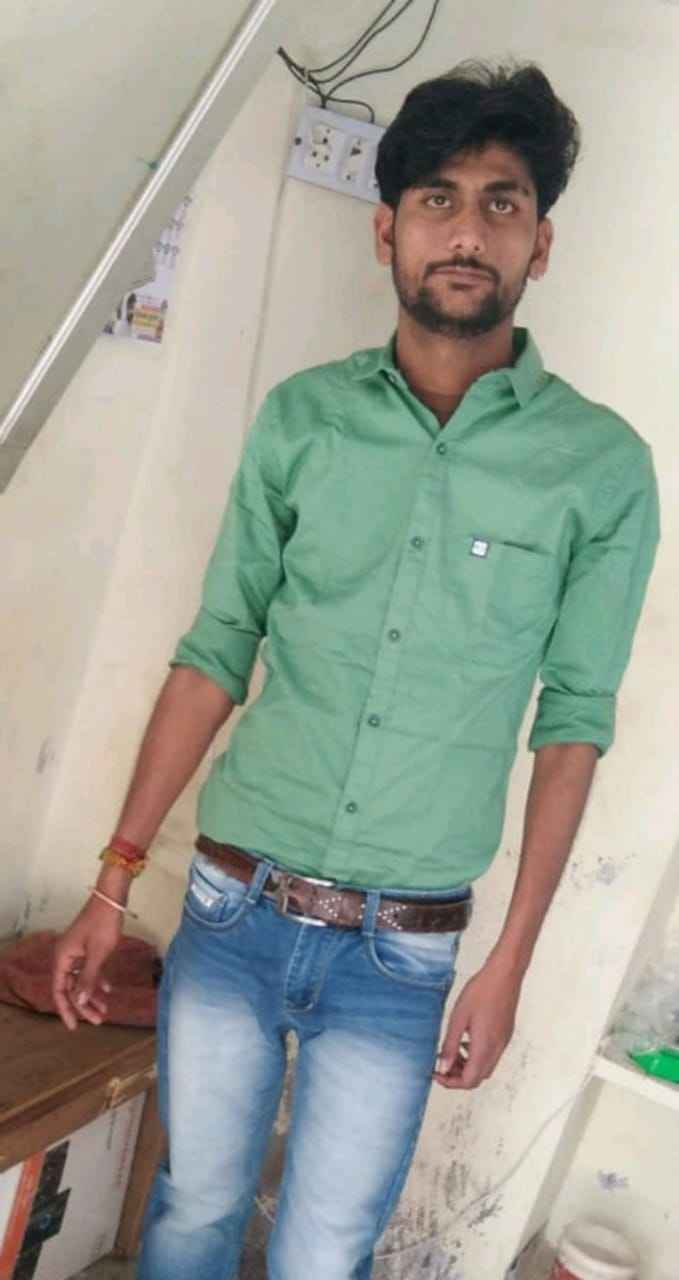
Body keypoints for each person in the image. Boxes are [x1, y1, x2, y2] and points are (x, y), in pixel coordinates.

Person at [52, 61, 659, 1280]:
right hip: (231, 908)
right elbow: (216, 649)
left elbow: (574, 719)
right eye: (437, 197)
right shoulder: (302, 422)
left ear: (539, 243)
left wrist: (510, 961)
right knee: (191, 1207)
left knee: (325, 1250)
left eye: (501, 201)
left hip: (404, 950)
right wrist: (113, 879)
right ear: (387, 231)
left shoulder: (598, 469)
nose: (466, 229)